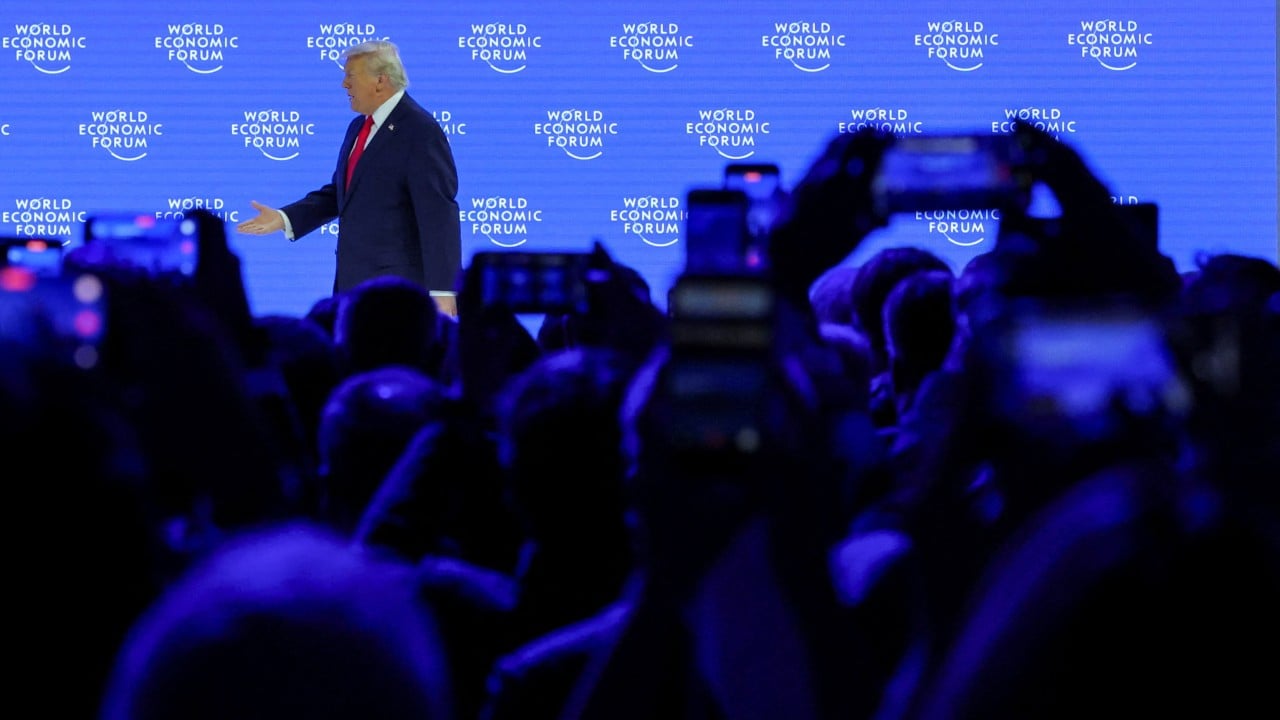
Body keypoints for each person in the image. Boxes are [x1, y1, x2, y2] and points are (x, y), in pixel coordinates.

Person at [237, 40, 461, 317]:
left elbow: (438, 213)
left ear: (380, 80)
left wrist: (443, 290)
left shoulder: (420, 130)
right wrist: (285, 218)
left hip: (398, 292)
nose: (344, 84)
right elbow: (340, 194)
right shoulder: (358, 127)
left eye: (351, 76)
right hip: (353, 287)